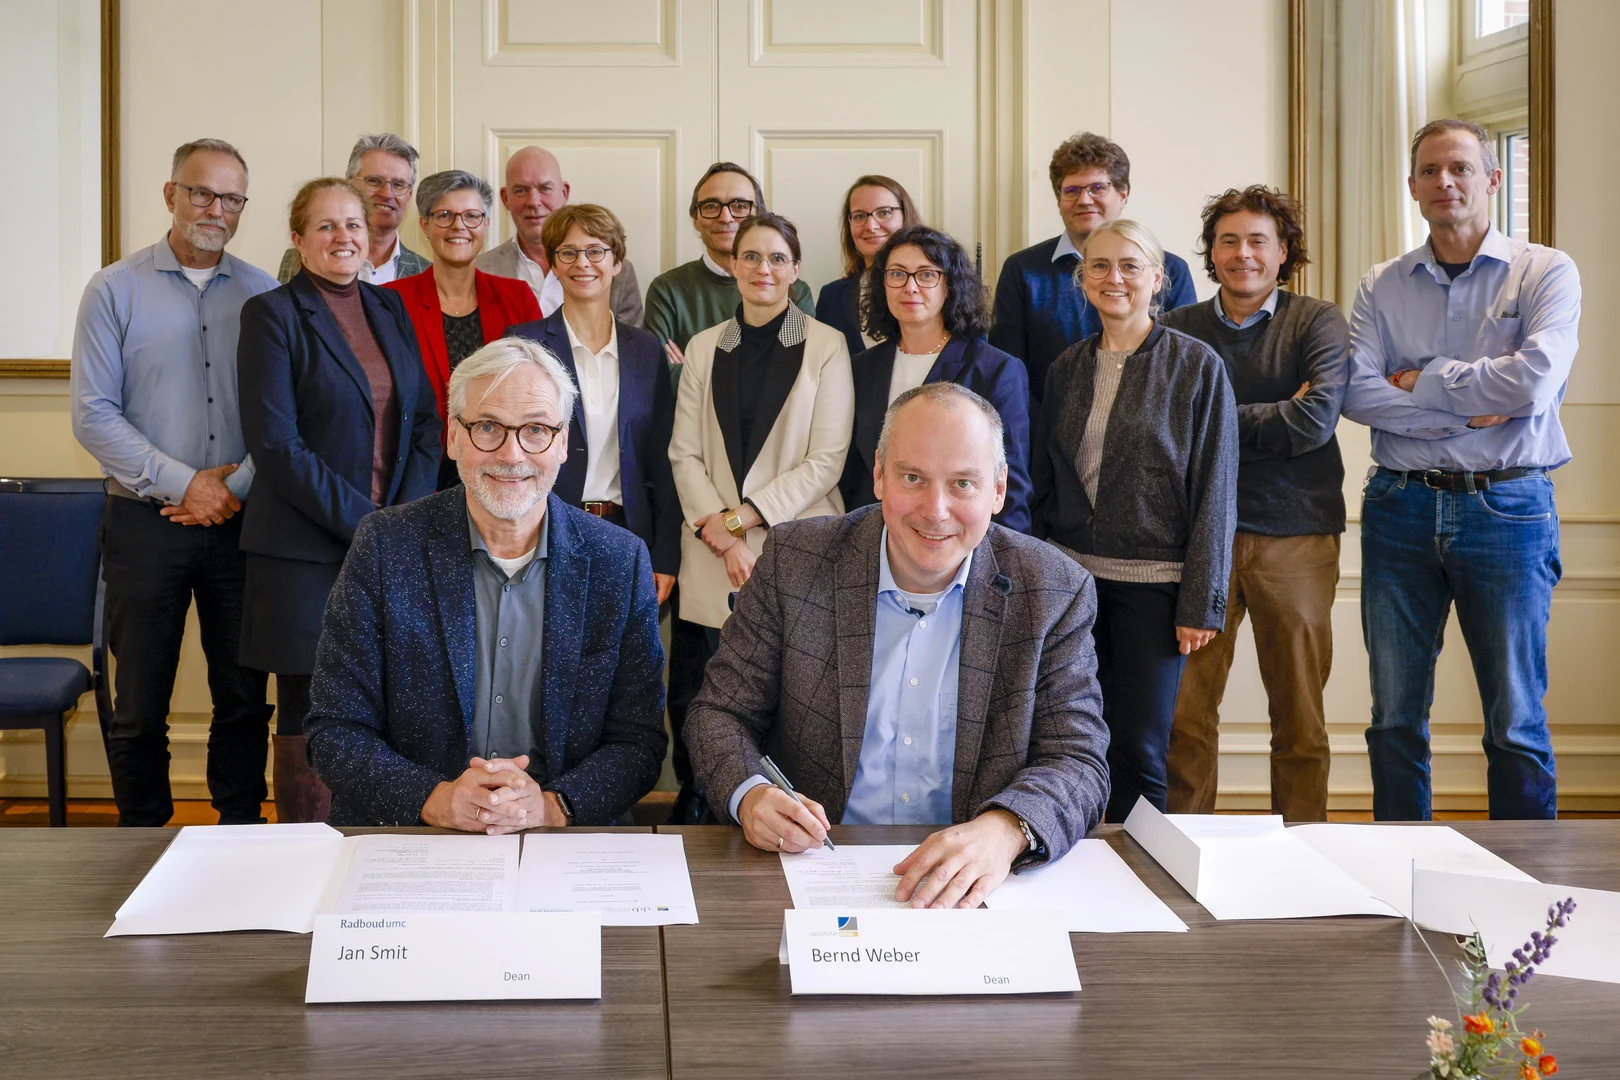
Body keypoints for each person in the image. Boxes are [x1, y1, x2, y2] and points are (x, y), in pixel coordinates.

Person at [686, 382, 1110, 907]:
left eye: (963, 484)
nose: (936, 510)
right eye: (913, 477)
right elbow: (718, 714)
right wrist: (750, 794)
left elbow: (1079, 759)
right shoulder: (795, 561)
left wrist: (1005, 831)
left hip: (970, 891)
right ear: (880, 475)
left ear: (998, 490)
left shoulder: (1054, 590)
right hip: (815, 872)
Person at [304, 337, 669, 828]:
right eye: (488, 427)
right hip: (415, 834)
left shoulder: (618, 561)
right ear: (453, 437)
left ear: (562, 443)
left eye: (536, 429)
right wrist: (437, 799)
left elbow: (639, 742)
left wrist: (550, 806)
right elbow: (335, 730)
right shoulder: (386, 546)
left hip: (564, 839)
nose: (512, 454)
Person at [1341, 118, 1580, 821]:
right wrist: (1468, 404)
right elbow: (1358, 391)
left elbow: (1534, 383)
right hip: (1399, 508)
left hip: (1508, 509)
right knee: (1394, 718)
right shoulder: (1381, 284)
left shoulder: (1547, 271)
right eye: (1430, 171)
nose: (1445, 182)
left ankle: (1526, 895)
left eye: (1461, 168)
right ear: (1413, 186)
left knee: (1515, 721)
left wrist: (1422, 382)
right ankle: (1400, 873)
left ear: (1492, 179)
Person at [70, 137, 277, 826]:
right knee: (140, 705)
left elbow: (283, 416)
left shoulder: (265, 295)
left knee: (244, 695)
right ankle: (139, 842)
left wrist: (235, 486)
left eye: (231, 198)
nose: (215, 209)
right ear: (170, 194)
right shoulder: (114, 289)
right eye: (201, 192)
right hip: (144, 524)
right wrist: (186, 483)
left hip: (243, 525)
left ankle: (242, 831)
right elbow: (92, 414)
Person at [237, 177, 442, 821]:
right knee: (308, 706)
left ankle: (372, 847)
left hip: (388, 546)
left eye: (353, 224)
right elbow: (276, 446)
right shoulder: (270, 315)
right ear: (297, 240)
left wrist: (400, 522)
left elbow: (428, 425)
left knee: (384, 697)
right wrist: (369, 525)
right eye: (325, 226)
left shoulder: (390, 310)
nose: (343, 238)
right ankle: (303, 849)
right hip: (303, 552)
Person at [1032, 219, 1237, 823]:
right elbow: (1048, 483)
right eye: (1098, 266)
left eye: (1128, 265)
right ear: (1082, 279)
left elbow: (1216, 491)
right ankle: (1079, 859)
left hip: (1156, 587)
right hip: (1072, 585)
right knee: (1072, 741)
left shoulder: (1197, 366)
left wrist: (1202, 601)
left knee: (1141, 746)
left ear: (1157, 278)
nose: (1113, 278)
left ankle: (1143, 884)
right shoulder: (1066, 368)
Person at [1161, 186, 1350, 822]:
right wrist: (1276, 412)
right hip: (1195, 538)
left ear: (1284, 251)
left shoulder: (1317, 321)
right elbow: (1166, 429)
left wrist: (1211, 419)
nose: (1242, 253)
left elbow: (1315, 421)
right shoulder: (1177, 328)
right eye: (1228, 240)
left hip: (1295, 534)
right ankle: (1182, 848)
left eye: (1257, 240)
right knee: (1185, 716)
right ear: (1211, 254)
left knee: (1299, 714)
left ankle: (1307, 848)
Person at [668, 212, 853, 820]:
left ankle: (784, 812)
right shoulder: (703, 346)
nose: (762, 269)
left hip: (795, 544)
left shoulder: (826, 345)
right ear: (732, 265)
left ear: (796, 270)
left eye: (777, 258)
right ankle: (704, 805)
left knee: (787, 694)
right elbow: (684, 453)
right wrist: (720, 532)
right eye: (750, 256)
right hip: (710, 549)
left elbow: (825, 461)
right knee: (704, 692)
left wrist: (742, 521)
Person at [505, 203, 680, 606]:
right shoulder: (523, 344)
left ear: (617, 261)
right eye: (568, 252)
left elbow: (663, 458)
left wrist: (666, 554)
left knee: (623, 665)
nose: (583, 262)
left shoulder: (645, 350)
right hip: (542, 531)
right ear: (553, 264)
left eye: (596, 250)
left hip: (628, 536)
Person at [839, 224, 1032, 533]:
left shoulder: (996, 370)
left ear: (950, 286)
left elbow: (1011, 487)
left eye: (927, 275)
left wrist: (1001, 568)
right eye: (897, 274)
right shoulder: (861, 368)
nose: (910, 287)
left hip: (957, 542)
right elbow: (853, 475)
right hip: (873, 541)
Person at [990, 132, 1198, 403]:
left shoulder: (1170, 269)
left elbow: (1185, 367)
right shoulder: (1022, 270)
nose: (1084, 200)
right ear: (1059, 201)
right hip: (1049, 432)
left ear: (1123, 195)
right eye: (1072, 190)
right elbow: (1009, 373)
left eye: (1098, 188)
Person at [385, 170, 541, 489]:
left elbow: (537, 387)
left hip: (503, 467)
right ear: (424, 225)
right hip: (418, 475)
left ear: (485, 225)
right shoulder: (391, 300)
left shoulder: (518, 297)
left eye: (472, 216)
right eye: (444, 215)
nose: (459, 226)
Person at [643, 163, 816, 390]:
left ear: (758, 216)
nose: (725, 217)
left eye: (739, 205)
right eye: (711, 206)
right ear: (696, 219)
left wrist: (693, 370)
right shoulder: (667, 290)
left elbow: (795, 376)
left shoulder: (794, 289)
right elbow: (657, 377)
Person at [477, 145, 644, 326]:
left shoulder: (616, 272)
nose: (533, 201)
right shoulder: (480, 271)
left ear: (564, 193)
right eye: (520, 190)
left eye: (545, 188)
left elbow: (631, 347)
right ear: (505, 199)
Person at [276, 133, 428, 286]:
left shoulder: (426, 273)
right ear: (350, 186)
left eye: (398, 184)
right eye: (374, 181)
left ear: (409, 196)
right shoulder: (300, 259)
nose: (387, 194)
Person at [815, 175, 921, 360]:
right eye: (859, 216)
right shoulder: (831, 298)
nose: (871, 226)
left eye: (884, 212)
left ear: (906, 216)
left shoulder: (939, 289)